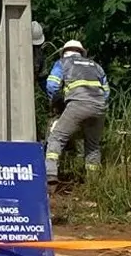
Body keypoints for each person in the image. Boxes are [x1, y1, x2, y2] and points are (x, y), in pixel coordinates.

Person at [43, 39, 109, 184]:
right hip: (99, 107)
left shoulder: (62, 63)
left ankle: (50, 174)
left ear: (64, 53)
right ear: (82, 53)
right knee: (92, 145)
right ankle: (93, 182)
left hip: (77, 105)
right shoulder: (96, 66)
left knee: (56, 137)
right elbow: (106, 92)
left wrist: (55, 102)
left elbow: (52, 85)